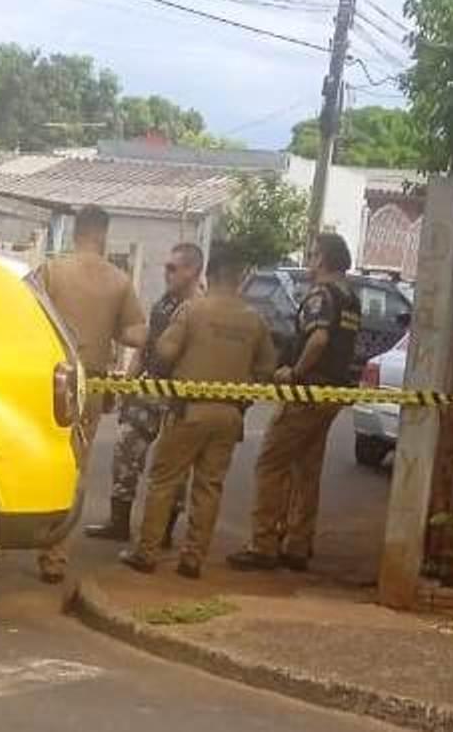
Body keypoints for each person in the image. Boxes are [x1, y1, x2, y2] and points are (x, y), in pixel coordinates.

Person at [119, 248, 276, 578]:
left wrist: (165, 370)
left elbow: (165, 352)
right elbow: (266, 368)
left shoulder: (192, 310)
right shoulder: (254, 319)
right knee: (209, 487)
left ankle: (145, 552)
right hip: (229, 415)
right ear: (238, 277)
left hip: (189, 410)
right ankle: (193, 558)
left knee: (164, 480)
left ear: (211, 274)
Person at [228, 233, 361, 572]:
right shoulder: (350, 297)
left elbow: (318, 338)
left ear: (323, 259)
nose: (309, 260)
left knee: (271, 463)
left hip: (307, 392)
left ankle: (262, 544)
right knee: (307, 469)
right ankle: (297, 543)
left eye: (313, 254)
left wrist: (294, 372)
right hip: (331, 394)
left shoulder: (321, 295)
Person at [32, 205, 148, 584]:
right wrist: (107, 328)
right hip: (90, 386)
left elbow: (25, 313)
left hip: (46, 378)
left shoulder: (51, 271)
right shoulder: (119, 281)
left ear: (75, 231)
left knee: (25, 452)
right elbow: (137, 335)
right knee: (75, 467)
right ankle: (55, 557)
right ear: (104, 234)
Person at [84, 242, 204, 545]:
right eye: (166, 267)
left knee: (173, 466)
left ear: (193, 271)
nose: (166, 273)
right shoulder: (164, 303)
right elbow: (144, 347)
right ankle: (118, 522)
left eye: (173, 268)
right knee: (126, 449)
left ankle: (162, 531)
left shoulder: (201, 310)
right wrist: (127, 387)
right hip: (149, 390)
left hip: (179, 394)